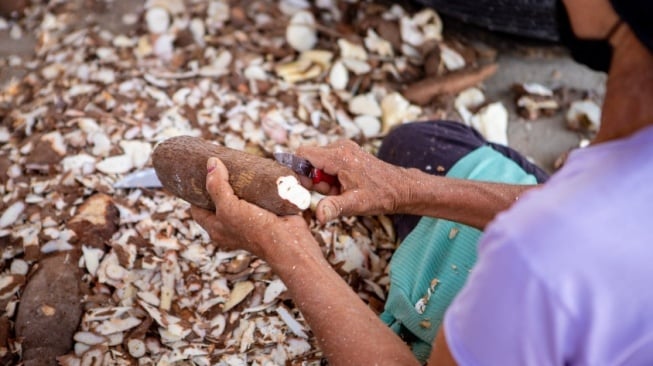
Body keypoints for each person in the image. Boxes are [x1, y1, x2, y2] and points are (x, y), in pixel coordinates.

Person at [191, 0, 653, 364]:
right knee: (419, 146)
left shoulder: (538, 257)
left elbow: (560, 238)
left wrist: (285, 251)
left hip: (544, 290)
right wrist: (405, 188)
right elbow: (590, 209)